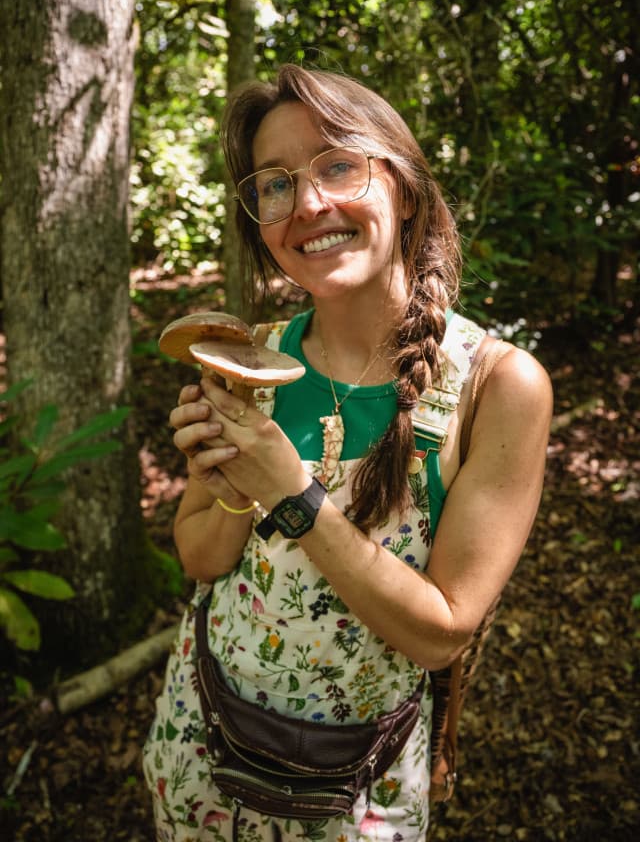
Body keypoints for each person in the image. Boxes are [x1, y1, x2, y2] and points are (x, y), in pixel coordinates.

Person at [143, 64, 552, 842]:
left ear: (401, 186)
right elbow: (199, 558)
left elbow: (441, 632)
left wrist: (290, 491)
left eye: (337, 164)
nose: (308, 204)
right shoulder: (248, 355)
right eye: (275, 184)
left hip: (356, 798)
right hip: (201, 748)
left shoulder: (497, 387)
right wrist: (225, 482)